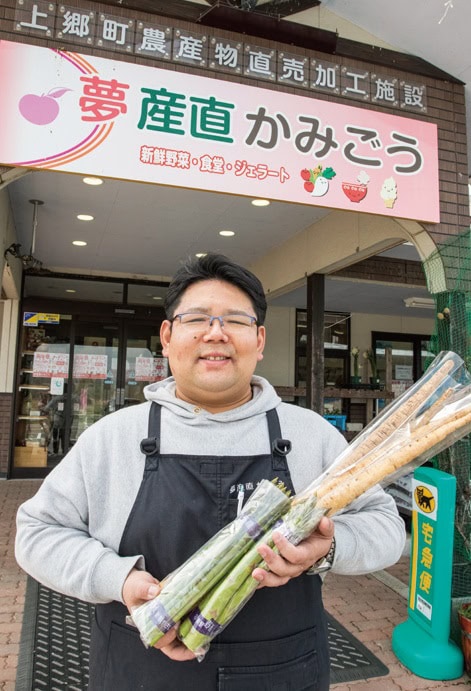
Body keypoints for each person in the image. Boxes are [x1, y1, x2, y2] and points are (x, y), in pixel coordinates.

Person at [15, 253, 406, 690]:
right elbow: (36, 532)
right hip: (140, 671)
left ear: (259, 340)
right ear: (166, 336)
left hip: (284, 671)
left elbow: (387, 527)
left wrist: (328, 550)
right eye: (197, 318)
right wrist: (118, 578)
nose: (216, 333)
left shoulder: (311, 436)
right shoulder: (112, 438)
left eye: (235, 321)